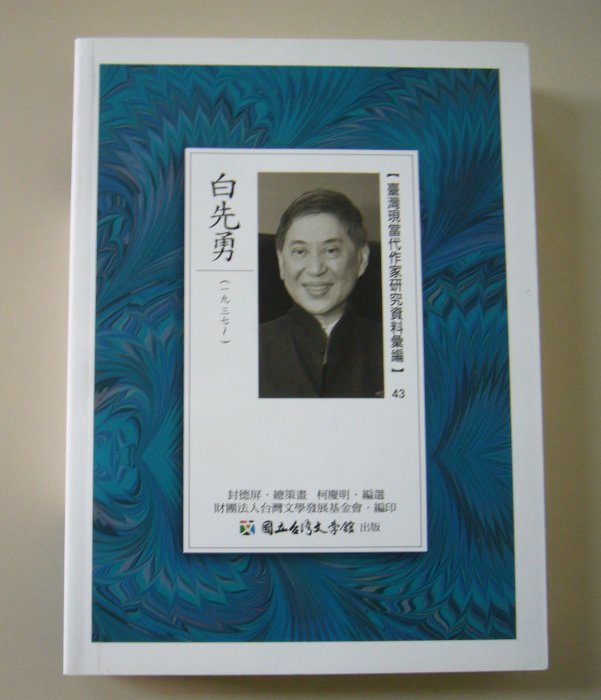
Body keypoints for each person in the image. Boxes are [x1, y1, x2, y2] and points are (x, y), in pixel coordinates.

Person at [259, 188, 384, 398]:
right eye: (300, 252)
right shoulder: (249, 346)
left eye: (331, 251)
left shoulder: (394, 345)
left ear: (361, 260)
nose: (316, 269)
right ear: (281, 262)